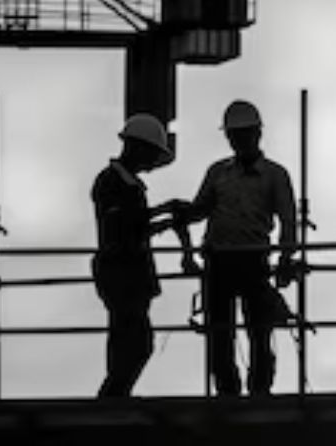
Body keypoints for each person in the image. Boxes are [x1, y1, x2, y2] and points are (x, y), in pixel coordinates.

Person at [173, 99, 299, 396]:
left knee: (259, 332)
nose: (239, 141)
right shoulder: (218, 173)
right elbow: (201, 209)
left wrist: (284, 259)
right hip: (218, 262)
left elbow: (288, 221)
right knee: (219, 334)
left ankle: (259, 392)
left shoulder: (274, 175)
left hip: (253, 261)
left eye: (244, 135)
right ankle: (227, 392)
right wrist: (181, 217)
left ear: (257, 134)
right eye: (234, 136)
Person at [90, 113, 178, 398]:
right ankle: (112, 398)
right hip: (121, 274)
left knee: (128, 343)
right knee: (135, 344)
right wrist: (163, 212)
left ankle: (116, 396)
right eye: (151, 154)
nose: (152, 162)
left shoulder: (123, 183)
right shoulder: (111, 183)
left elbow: (134, 225)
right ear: (137, 147)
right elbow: (125, 225)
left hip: (129, 274)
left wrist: (163, 217)